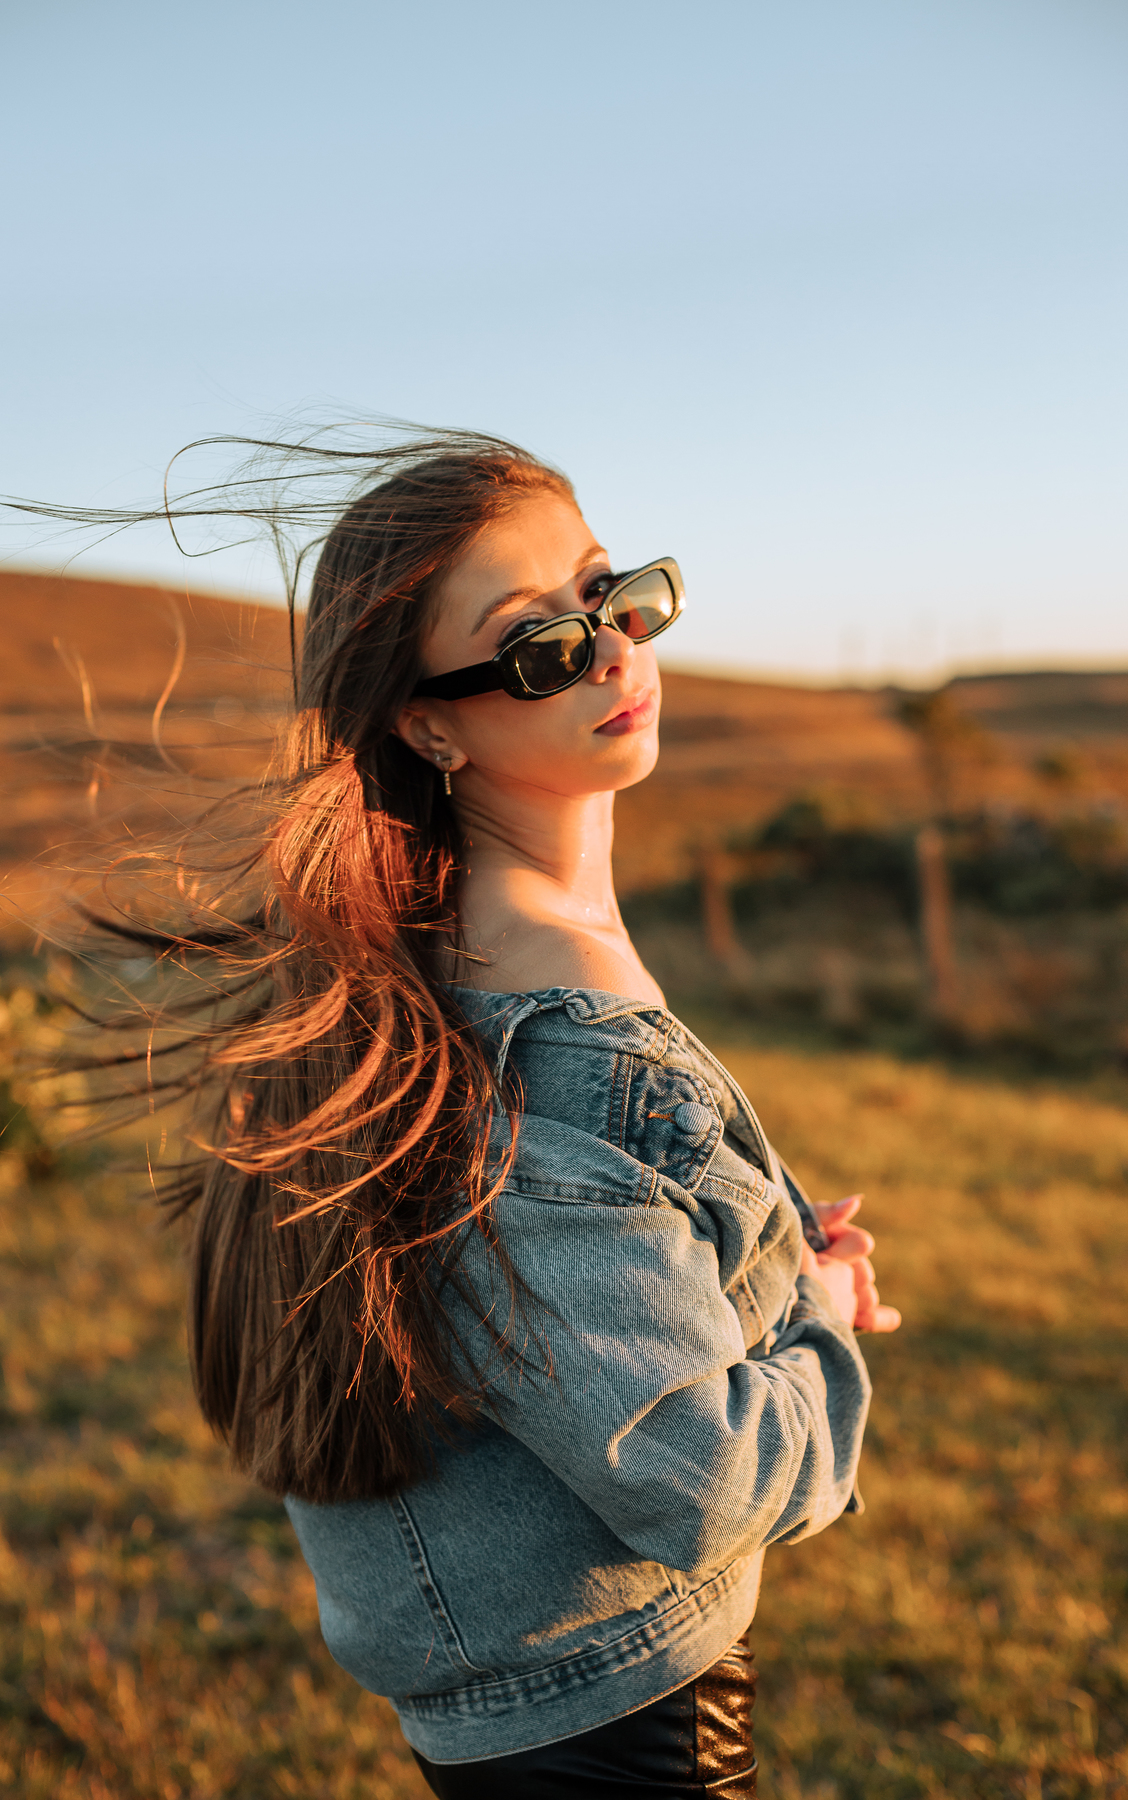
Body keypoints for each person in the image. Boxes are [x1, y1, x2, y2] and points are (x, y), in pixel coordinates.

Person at [83, 430, 900, 1796]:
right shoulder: (542, 1040)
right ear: (429, 721)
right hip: (610, 1725)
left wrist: (753, 1274)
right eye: (538, 646)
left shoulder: (451, 968)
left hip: (571, 1694)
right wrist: (809, 1310)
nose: (614, 651)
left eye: (611, 595)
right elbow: (699, 1481)